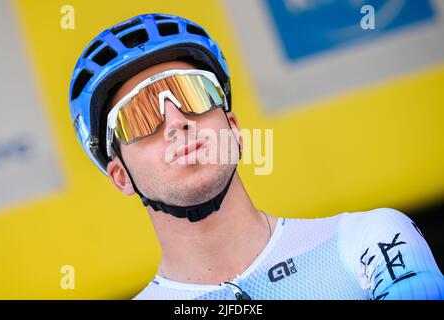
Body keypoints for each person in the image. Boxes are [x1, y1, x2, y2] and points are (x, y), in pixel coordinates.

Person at [69, 13, 444, 300]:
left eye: (193, 94)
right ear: (120, 176)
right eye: (140, 115)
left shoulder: (369, 241)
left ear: (233, 128)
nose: (176, 122)